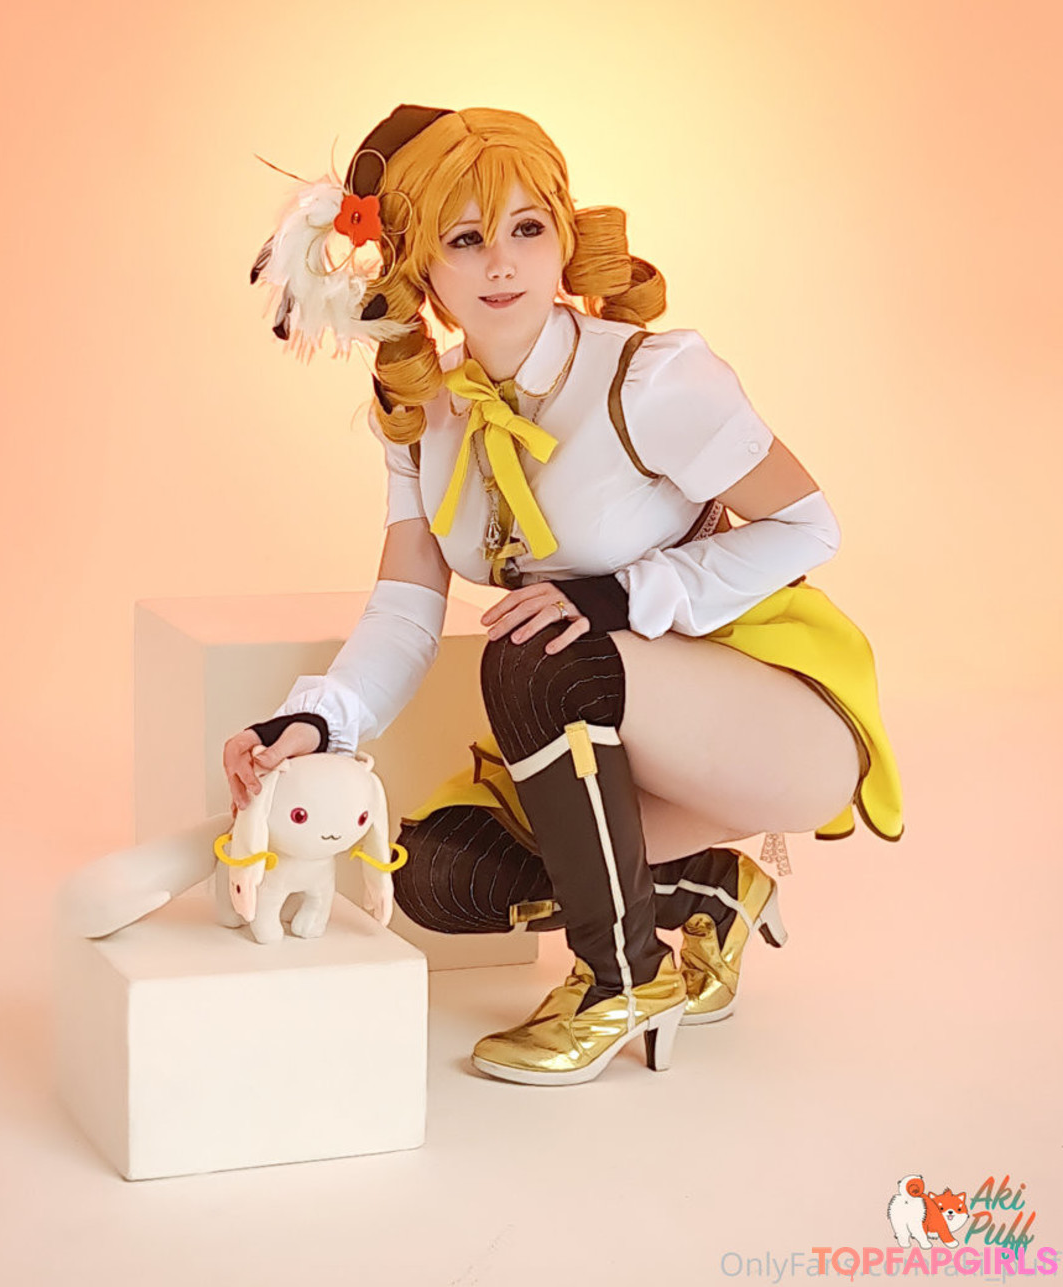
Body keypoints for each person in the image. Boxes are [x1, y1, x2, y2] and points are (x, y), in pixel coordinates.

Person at [223, 104, 903, 1088]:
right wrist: (319, 722)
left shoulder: (650, 380)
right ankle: (712, 893)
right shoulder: (422, 412)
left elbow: (808, 526)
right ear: (420, 265)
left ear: (563, 237)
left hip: (773, 715)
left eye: (527, 228)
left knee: (531, 652)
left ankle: (620, 980)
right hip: (603, 725)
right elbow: (406, 608)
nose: (502, 262)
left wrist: (624, 593)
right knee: (441, 871)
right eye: (466, 238)